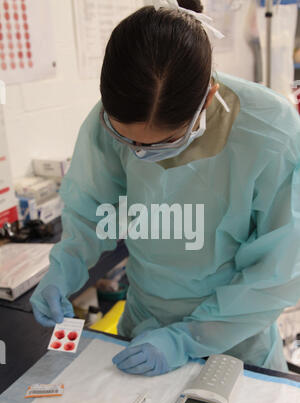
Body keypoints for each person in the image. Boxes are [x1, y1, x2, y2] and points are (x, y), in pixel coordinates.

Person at [31, 0, 300, 376]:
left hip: (234, 338)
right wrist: (64, 268)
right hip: (144, 328)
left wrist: (185, 339)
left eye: (164, 142)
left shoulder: (270, 132)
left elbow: (279, 271)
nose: (142, 157)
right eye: (128, 141)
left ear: (206, 100)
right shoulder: (113, 115)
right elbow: (92, 209)